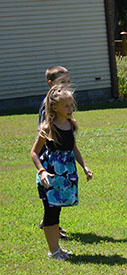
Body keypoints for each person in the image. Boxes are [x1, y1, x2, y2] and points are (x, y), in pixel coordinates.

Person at [31, 85, 93, 260]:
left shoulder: (70, 125)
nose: (70, 109)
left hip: (65, 175)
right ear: (55, 107)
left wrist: (84, 166)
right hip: (50, 176)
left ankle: (57, 249)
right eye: (66, 106)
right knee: (50, 211)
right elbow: (34, 152)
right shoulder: (48, 127)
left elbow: (73, 148)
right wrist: (42, 171)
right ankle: (53, 251)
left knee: (56, 211)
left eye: (71, 105)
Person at [37, 66, 71, 239]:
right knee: (51, 191)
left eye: (68, 81)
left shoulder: (62, 102)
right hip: (49, 155)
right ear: (51, 84)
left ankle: (49, 223)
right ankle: (51, 225)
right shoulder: (48, 104)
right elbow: (44, 129)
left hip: (60, 156)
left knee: (58, 189)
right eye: (62, 82)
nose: (66, 85)